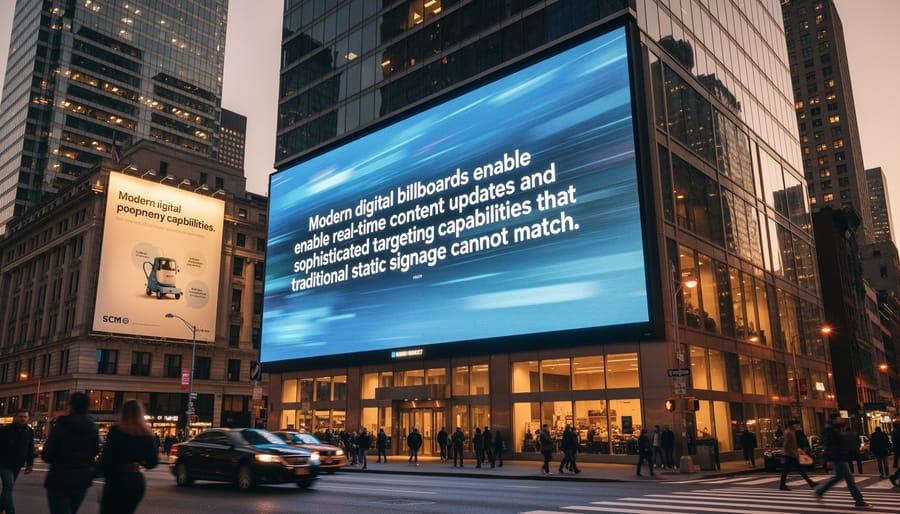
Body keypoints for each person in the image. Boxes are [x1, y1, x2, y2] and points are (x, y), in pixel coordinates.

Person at [42, 392, 101, 514]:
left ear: (71, 406)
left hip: (59, 477)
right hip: (82, 478)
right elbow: (95, 451)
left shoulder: (61, 425)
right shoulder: (93, 428)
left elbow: (47, 454)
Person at [98, 400, 159, 514]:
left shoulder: (116, 431)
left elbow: (106, 459)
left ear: (123, 413)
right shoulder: (146, 433)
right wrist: (139, 463)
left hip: (117, 480)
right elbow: (153, 462)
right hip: (136, 481)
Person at [814, 413, 871, 510]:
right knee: (849, 480)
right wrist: (829, 459)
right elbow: (828, 446)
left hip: (839, 457)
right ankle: (859, 500)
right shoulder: (830, 430)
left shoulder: (834, 429)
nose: (842, 420)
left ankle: (819, 491)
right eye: (839, 418)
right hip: (838, 458)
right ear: (834, 419)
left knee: (837, 477)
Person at [0, 408, 35, 514]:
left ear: (28, 418)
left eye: (25, 417)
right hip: (4, 463)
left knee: (7, 489)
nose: (22, 419)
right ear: (15, 417)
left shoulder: (29, 431)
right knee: (9, 486)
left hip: (18, 464)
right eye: (20, 416)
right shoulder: (5, 430)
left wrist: (30, 464)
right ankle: (11, 511)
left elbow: (30, 448)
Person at [777, 420, 816, 491]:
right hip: (790, 455)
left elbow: (791, 444)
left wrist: (797, 450)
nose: (798, 427)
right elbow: (786, 444)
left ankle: (810, 482)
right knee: (790, 470)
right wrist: (790, 454)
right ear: (793, 425)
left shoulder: (791, 432)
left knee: (792, 470)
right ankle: (782, 485)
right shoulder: (789, 432)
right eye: (797, 425)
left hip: (791, 454)